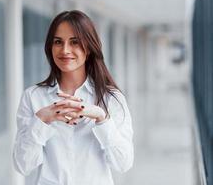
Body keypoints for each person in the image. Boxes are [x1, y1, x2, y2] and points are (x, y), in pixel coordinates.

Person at [13, 10, 134, 185]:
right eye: (58, 42)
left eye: (74, 42)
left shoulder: (111, 98)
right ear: (50, 47)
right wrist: (41, 120)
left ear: (89, 48)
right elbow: (23, 166)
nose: (65, 50)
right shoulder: (33, 97)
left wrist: (102, 118)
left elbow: (123, 163)